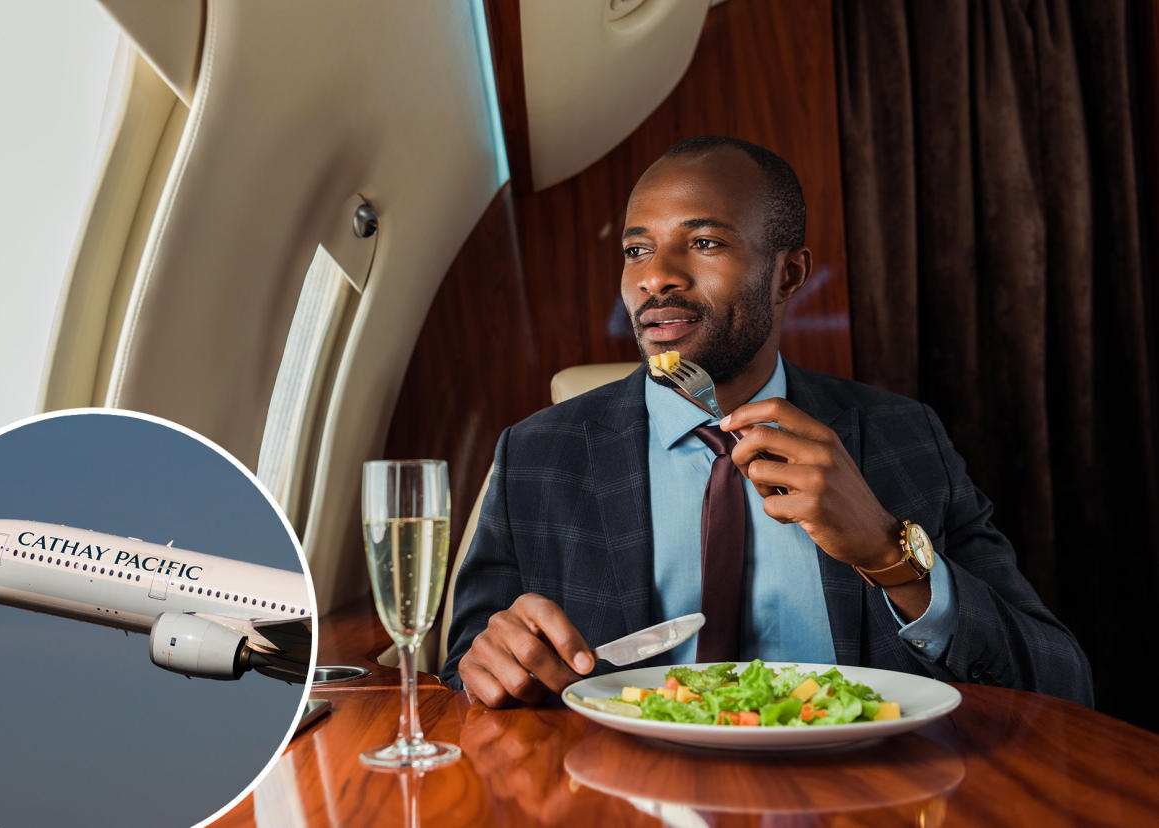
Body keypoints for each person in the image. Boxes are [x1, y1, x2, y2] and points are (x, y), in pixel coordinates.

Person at [440, 136, 1093, 708]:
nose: (655, 277)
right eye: (637, 250)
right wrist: (489, 666)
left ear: (789, 274)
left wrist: (888, 554)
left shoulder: (903, 437)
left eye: (703, 243)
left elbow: (1059, 684)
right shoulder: (536, 454)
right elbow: (463, 672)